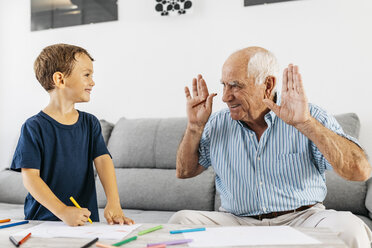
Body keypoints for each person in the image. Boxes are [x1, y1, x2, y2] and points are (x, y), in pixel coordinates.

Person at [169, 46, 372, 248]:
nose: (225, 96)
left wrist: (306, 124)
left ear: (267, 84)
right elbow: (185, 171)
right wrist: (195, 127)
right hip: (237, 221)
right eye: (224, 85)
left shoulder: (308, 115)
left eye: (235, 85)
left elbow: (360, 172)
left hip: (302, 218)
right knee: (180, 222)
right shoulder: (217, 123)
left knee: (351, 228)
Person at [11, 44, 134, 227]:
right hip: (42, 221)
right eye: (86, 75)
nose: (92, 82)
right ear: (60, 79)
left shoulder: (90, 123)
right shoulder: (33, 127)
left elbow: (103, 161)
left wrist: (114, 202)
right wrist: (62, 211)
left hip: (84, 221)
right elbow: (30, 178)